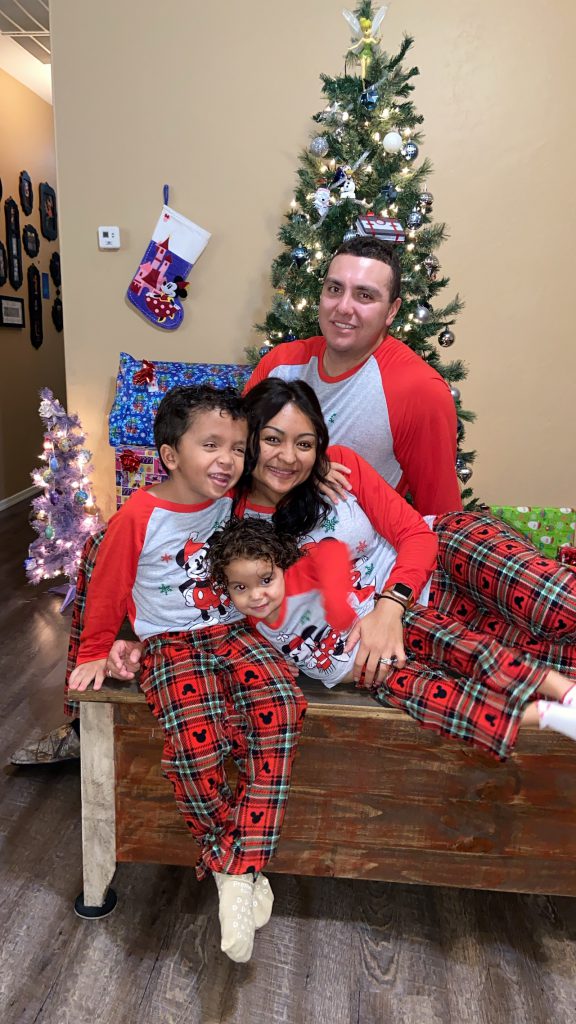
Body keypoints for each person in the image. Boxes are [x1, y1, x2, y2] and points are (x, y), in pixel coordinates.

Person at [67, 384, 308, 964]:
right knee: (195, 741)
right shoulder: (139, 515)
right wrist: (98, 649)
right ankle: (234, 870)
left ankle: (240, 866)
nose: (227, 460)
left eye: (238, 447)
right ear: (171, 455)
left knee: (281, 703)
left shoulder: (234, 500)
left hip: (232, 634)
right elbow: (106, 585)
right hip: (170, 646)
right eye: (211, 446)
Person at [207, 518, 576, 760]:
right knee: (444, 707)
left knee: (471, 652)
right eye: (242, 587)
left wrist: (337, 602)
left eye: (265, 580)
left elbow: (331, 551)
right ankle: (549, 716)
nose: (256, 595)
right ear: (228, 590)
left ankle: (563, 689)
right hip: (374, 676)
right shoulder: (253, 629)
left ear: (280, 568)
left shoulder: (299, 574)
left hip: (398, 626)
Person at [245, 235, 462, 517]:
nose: (344, 307)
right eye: (335, 289)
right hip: (251, 538)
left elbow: (441, 514)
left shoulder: (419, 390)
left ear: (392, 311)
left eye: (365, 295)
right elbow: (236, 453)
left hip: (351, 552)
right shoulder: (281, 363)